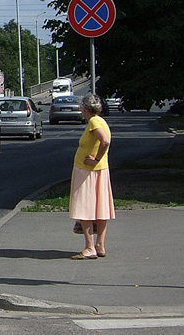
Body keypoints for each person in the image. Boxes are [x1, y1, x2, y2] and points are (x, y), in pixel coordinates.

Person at [69, 93, 114, 260]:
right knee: (100, 208)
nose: (80, 110)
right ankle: (100, 245)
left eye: (81, 107)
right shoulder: (101, 121)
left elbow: (105, 141)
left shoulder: (94, 122)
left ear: (86, 109)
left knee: (85, 208)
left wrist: (95, 159)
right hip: (99, 171)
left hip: (88, 172)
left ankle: (89, 247)